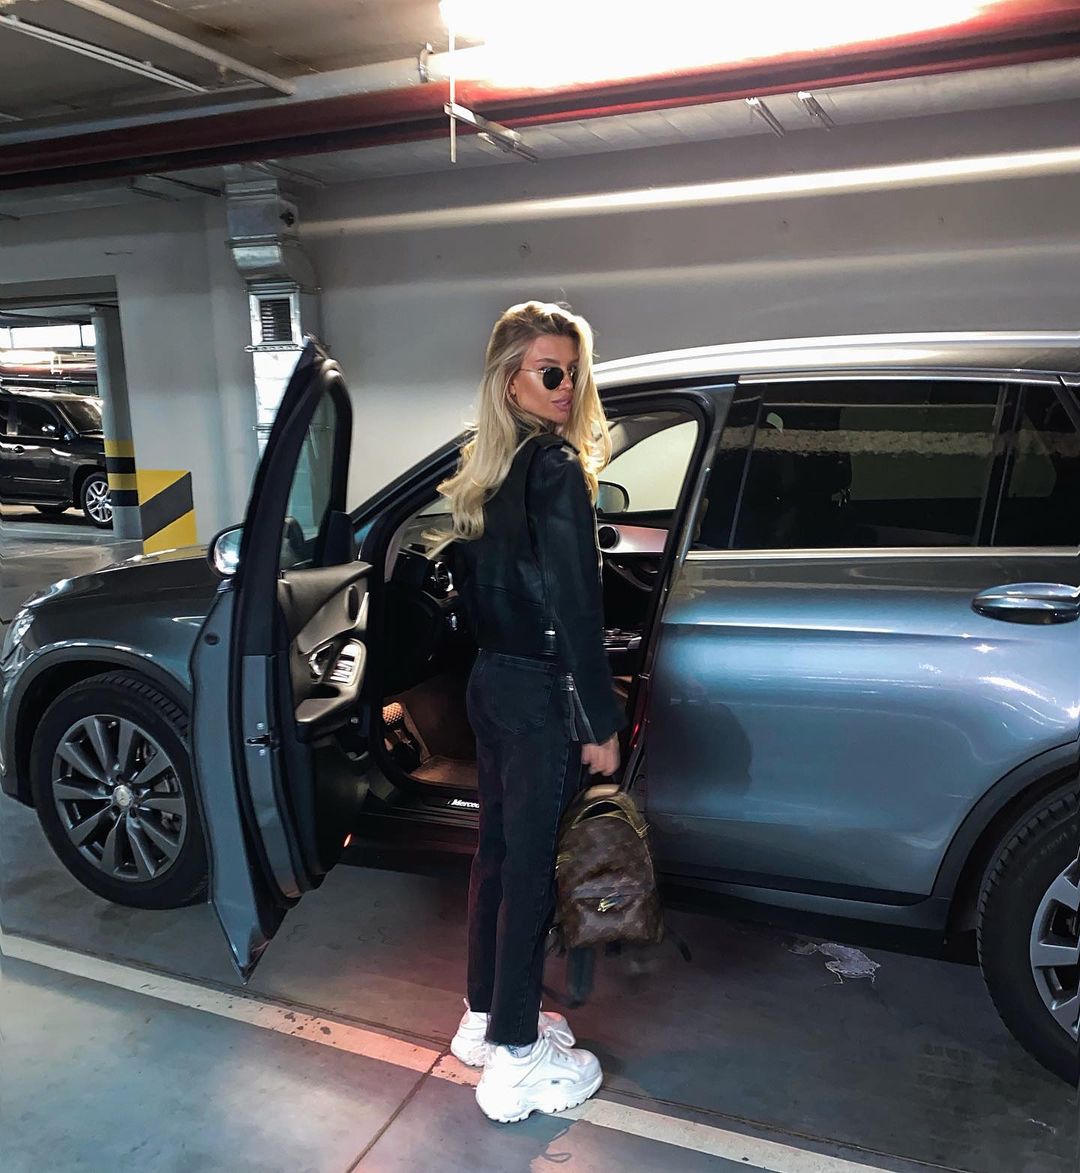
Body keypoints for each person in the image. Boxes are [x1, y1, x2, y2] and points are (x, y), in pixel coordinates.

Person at [440, 300, 626, 1123]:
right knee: (529, 870)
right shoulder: (554, 466)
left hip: (492, 682)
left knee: (496, 855)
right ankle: (517, 1057)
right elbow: (578, 607)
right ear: (510, 379)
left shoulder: (489, 464)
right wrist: (600, 720)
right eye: (550, 371)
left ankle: (484, 1015)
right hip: (542, 693)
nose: (565, 385)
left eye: (573, 371)